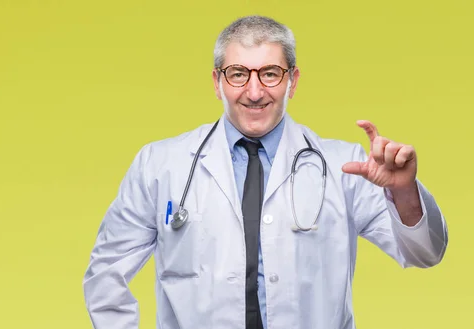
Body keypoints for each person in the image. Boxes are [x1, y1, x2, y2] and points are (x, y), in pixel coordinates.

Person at [82, 15, 448, 329]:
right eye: (238, 74)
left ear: (293, 80)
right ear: (216, 82)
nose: (254, 92)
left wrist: (403, 192)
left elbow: (425, 253)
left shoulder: (345, 166)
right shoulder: (161, 164)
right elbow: (105, 272)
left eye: (270, 74)